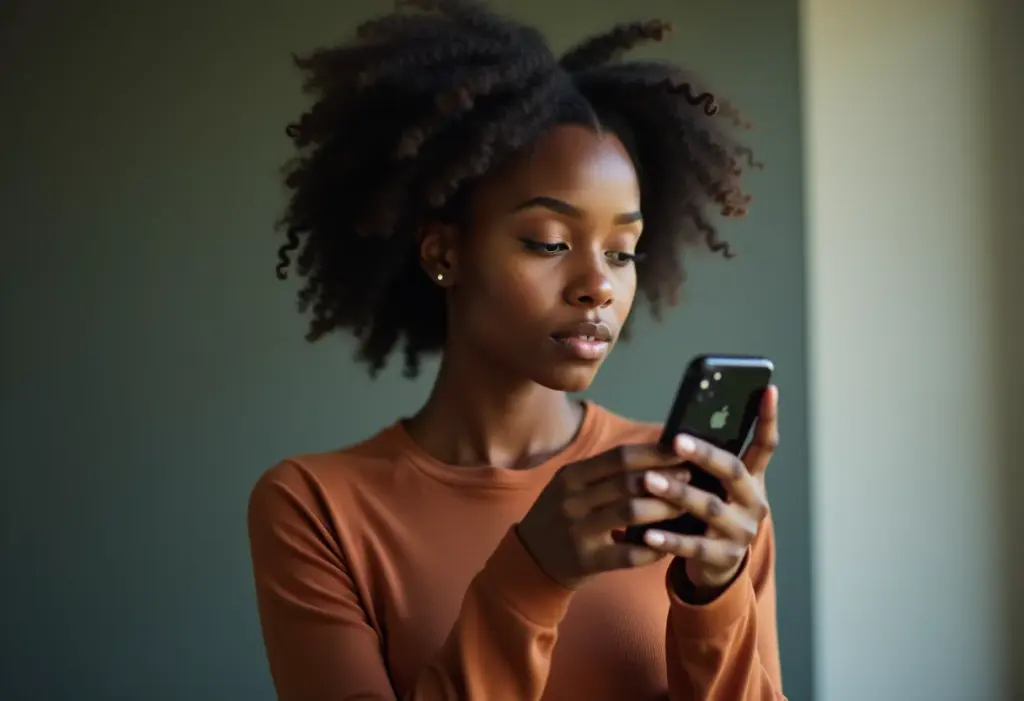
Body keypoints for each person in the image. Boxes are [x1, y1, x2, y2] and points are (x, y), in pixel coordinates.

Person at [246, 1, 783, 699]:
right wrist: (532, 575)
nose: (598, 286)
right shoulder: (315, 506)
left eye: (622, 252)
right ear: (445, 251)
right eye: (549, 242)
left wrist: (715, 591)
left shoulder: (689, 496)